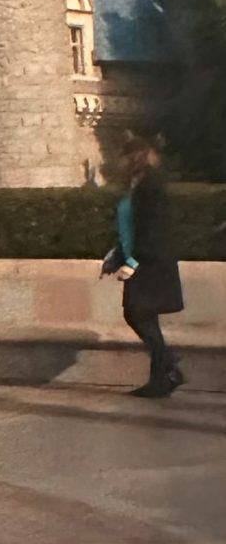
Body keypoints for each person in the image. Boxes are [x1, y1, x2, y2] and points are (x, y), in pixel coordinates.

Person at [111, 134, 186, 398]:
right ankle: (162, 376)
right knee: (144, 316)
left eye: (124, 156)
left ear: (135, 156)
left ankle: (168, 366)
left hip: (150, 262)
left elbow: (152, 228)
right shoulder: (137, 183)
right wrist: (117, 255)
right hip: (142, 258)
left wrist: (133, 261)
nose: (119, 162)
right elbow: (130, 224)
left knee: (137, 313)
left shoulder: (151, 184)